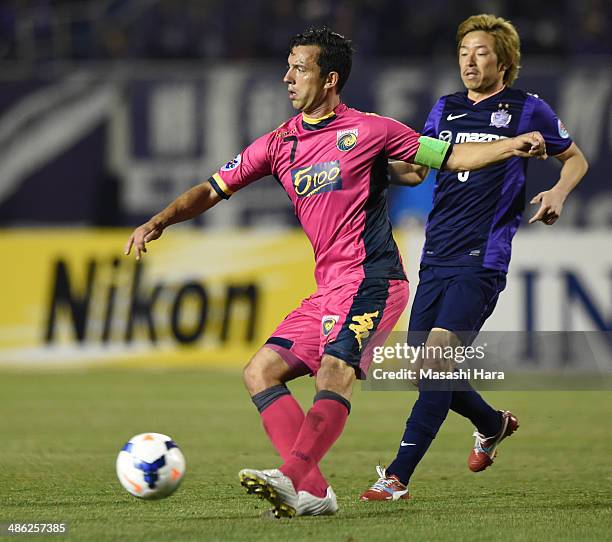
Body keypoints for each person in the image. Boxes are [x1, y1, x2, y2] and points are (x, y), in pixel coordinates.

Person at [124, 26, 547, 518]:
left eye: (298, 68)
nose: (286, 77)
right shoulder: (278, 143)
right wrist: (160, 220)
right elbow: (213, 187)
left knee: (335, 370)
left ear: (328, 79)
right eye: (287, 66)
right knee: (260, 371)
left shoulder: (373, 131)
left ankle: (293, 476)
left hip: (373, 280)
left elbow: (449, 156)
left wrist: (508, 145)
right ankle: (315, 492)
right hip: (329, 290)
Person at [359, 14, 588, 501]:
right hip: (436, 252)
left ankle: (397, 476)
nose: (469, 61)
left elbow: (575, 158)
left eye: (481, 52)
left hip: (483, 255)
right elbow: (417, 172)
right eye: (464, 52)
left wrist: (558, 193)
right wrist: (372, 170)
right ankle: (491, 422)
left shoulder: (529, 109)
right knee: (423, 371)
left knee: (437, 361)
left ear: (503, 61)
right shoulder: (445, 109)